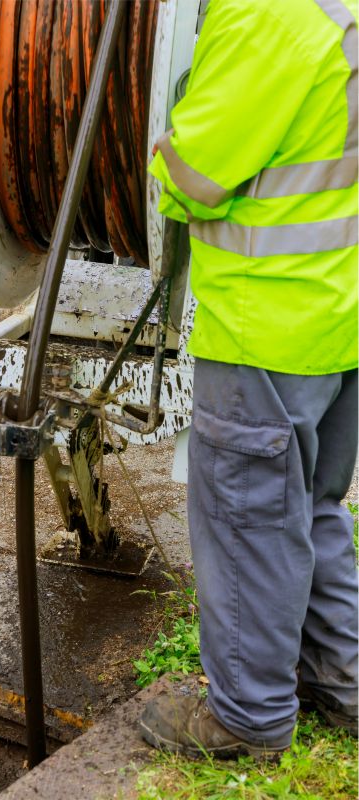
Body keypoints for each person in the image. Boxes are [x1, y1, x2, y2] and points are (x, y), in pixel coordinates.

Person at [139, 0, 358, 759]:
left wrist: (162, 164)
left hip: (263, 324)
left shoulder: (269, 13)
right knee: (312, 507)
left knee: (247, 523)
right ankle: (342, 682)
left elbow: (192, 175)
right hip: (337, 317)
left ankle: (245, 720)